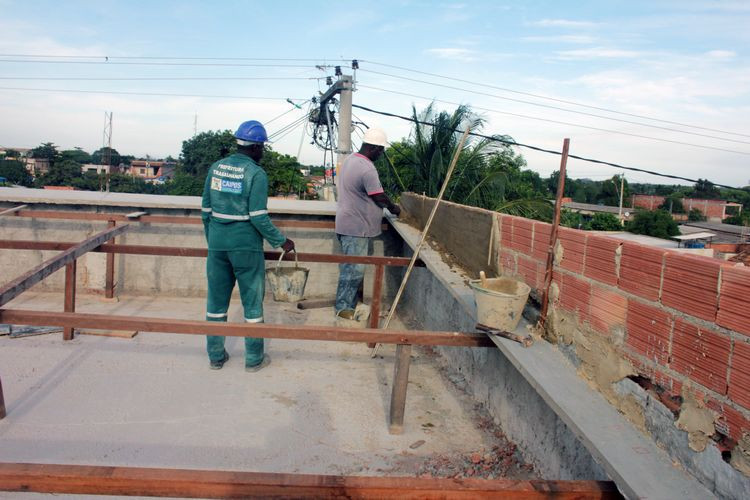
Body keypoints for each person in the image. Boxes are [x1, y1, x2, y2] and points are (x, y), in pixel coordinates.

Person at [201, 119, 295, 371]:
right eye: (262, 147)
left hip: (218, 245)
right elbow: (258, 216)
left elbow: (206, 211)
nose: (262, 152)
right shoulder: (256, 173)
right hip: (245, 246)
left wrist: (214, 243)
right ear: (255, 148)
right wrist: (281, 241)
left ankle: (215, 356)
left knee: (216, 303)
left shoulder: (216, 168)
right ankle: (253, 359)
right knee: (252, 303)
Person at [334, 127, 401, 319]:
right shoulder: (367, 168)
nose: (381, 154)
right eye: (381, 150)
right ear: (373, 148)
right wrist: (394, 208)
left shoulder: (351, 161)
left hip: (347, 224)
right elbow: (378, 196)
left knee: (349, 268)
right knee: (353, 271)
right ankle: (343, 310)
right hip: (357, 228)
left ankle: (347, 304)